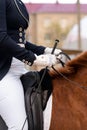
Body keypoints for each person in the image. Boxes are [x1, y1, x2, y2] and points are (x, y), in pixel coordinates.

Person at [0, 0, 62, 130]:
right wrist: (33, 59)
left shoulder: (19, 2)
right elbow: (1, 38)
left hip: (19, 69)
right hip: (4, 72)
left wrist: (44, 50)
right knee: (19, 127)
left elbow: (19, 40)